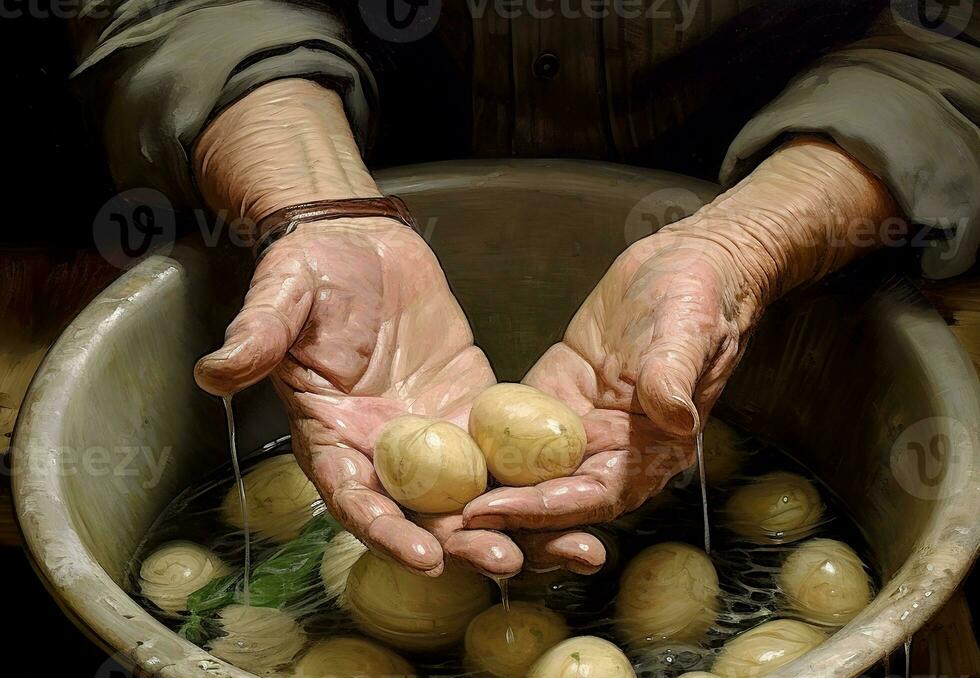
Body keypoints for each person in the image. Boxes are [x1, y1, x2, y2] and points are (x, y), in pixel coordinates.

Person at [70, 2, 980, 578]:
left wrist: (747, 241)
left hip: (793, 230)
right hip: (355, 175)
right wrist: (314, 201)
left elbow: (949, 44)